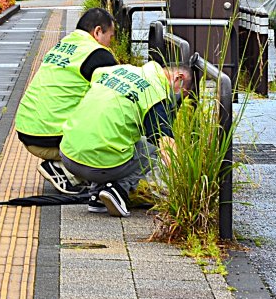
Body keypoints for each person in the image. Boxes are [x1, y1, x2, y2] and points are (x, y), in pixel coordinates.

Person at [59, 62, 193, 217]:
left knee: (115, 134)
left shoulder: (117, 70)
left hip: (67, 154)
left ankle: (96, 196)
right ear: (179, 78)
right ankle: (118, 190)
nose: (177, 100)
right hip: (98, 165)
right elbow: (166, 145)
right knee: (153, 148)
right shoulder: (156, 92)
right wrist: (185, 186)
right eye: (182, 94)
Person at [15, 7, 118, 195]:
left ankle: (67, 167)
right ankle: (65, 170)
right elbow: (117, 98)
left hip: (27, 129)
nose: (110, 45)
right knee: (112, 124)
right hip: (49, 137)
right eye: (110, 37)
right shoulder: (97, 54)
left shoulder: (63, 45)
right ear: (97, 32)